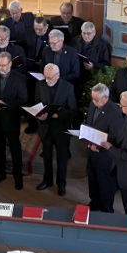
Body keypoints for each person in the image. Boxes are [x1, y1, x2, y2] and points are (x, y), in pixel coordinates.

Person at [0, 52, 28, 190]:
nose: (1, 68)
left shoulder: (20, 78)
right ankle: (0, 173)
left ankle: (18, 176)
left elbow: (23, 100)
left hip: (11, 118)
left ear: (10, 64)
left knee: (15, 148)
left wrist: (4, 103)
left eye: (4, 65)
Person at [35, 63, 76, 196]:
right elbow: (36, 104)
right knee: (46, 156)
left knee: (61, 158)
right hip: (45, 127)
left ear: (58, 76)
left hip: (61, 128)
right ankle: (47, 180)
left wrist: (57, 114)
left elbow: (73, 110)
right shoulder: (40, 85)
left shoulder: (68, 87)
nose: (48, 80)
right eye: (46, 77)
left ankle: (61, 184)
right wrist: (39, 115)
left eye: (51, 78)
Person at [84, 83, 124, 212]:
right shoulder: (93, 105)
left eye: (96, 99)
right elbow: (90, 123)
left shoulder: (115, 111)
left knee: (105, 183)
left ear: (106, 98)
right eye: (92, 98)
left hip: (105, 155)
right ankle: (94, 202)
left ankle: (106, 209)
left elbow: (115, 136)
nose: (93, 102)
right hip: (92, 150)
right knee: (92, 178)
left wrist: (98, 146)